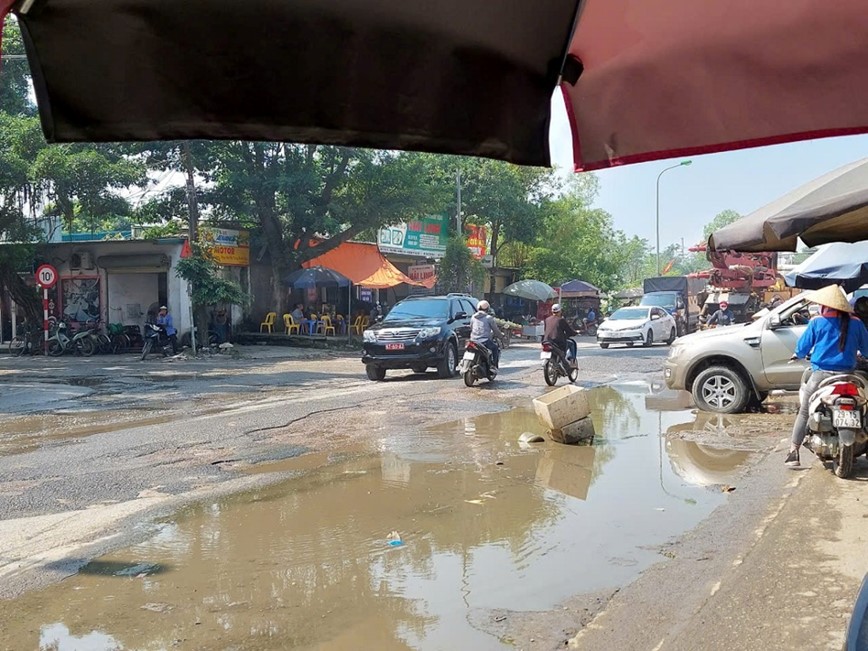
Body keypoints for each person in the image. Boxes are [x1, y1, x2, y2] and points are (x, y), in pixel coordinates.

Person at [786, 285, 868, 467]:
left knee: (805, 410)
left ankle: (793, 451)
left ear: (825, 305)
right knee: (864, 407)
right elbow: (866, 349)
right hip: (848, 377)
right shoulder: (856, 322)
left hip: (821, 376)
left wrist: (797, 355)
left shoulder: (817, 322)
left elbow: (803, 347)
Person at [470, 300, 501, 371]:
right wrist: (501, 336)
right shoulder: (489, 318)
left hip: (473, 341)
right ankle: (493, 366)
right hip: (484, 341)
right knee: (495, 348)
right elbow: (495, 330)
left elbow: (471, 327)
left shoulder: (473, 317)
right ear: (488, 309)